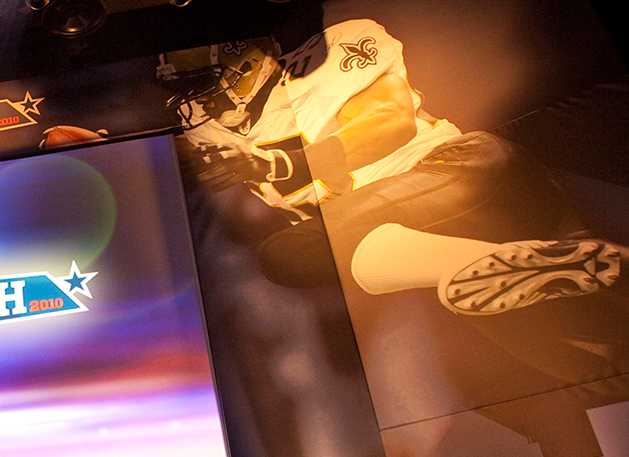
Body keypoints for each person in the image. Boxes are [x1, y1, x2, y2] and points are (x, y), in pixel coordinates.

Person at [169, 20, 626, 382]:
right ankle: (510, 266)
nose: (198, 106)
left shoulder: (321, 58)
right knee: (587, 363)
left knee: (297, 247)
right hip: (433, 246)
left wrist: (280, 164)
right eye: (189, 95)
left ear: (245, 65)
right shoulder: (216, 135)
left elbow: (389, 121)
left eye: (202, 87)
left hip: (459, 176)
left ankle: (483, 266)